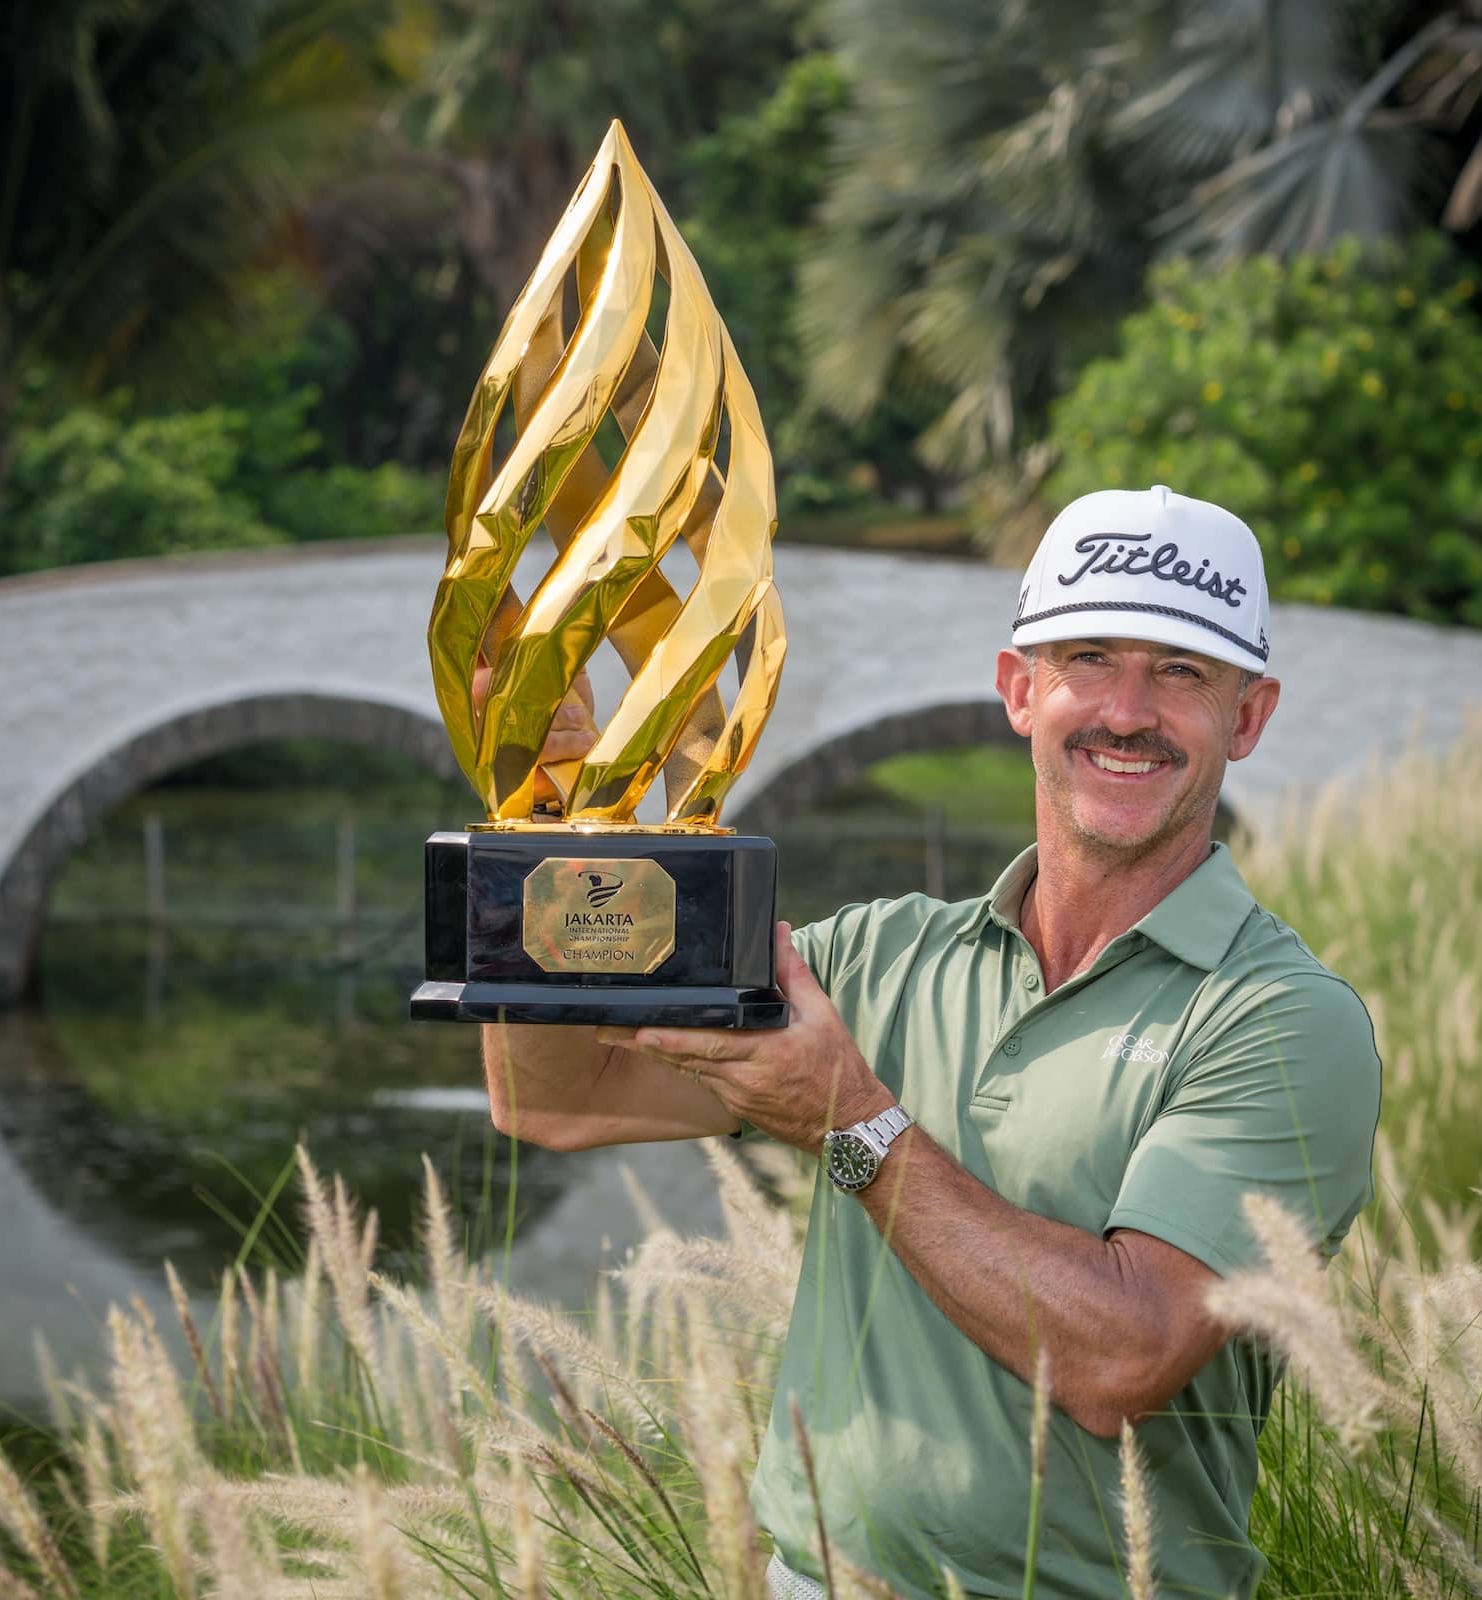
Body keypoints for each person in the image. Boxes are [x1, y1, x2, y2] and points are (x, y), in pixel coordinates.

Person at [479, 485, 1383, 1598]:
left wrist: (854, 1122)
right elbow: (566, 1097)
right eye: (1088, 658)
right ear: (1019, 689)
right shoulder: (880, 955)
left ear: (1249, 717)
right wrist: (540, 839)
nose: (1127, 709)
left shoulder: (1281, 1017)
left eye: (1182, 672)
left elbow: (1123, 1355)